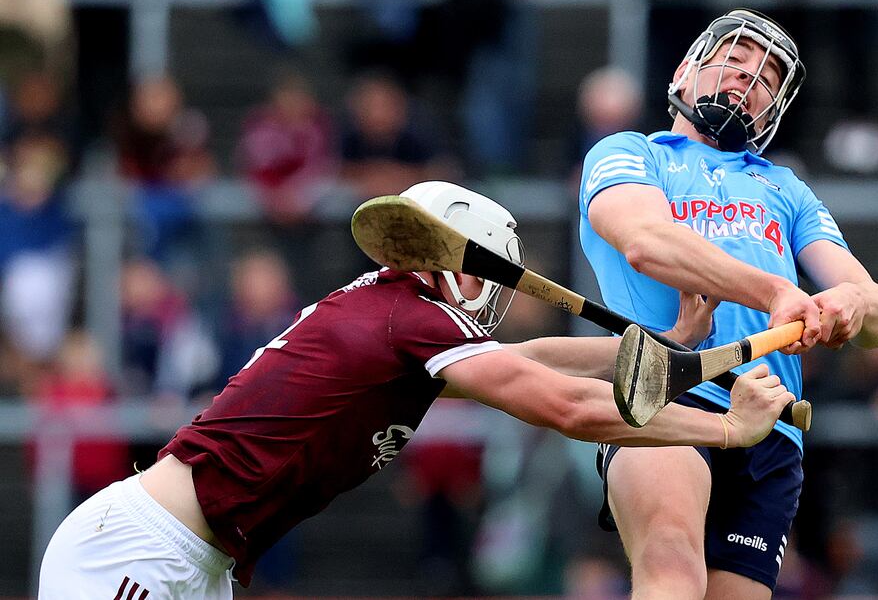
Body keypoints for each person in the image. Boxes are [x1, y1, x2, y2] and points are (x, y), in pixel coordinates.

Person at [38, 181, 795, 599]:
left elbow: (531, 358)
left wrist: (661, 347)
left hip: (195, 566)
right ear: (465, 266)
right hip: (139, 555)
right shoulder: (415, 322)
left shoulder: (396, 314)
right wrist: (726, 431)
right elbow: (565, 407)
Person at [578, 8, 878, 599]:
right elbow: (646, 244)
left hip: (773, 423)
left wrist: (853, 302)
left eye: (770, 78)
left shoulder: (786, 189)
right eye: (734, 58)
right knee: (673, 566)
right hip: (667, 388)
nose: (749, 79)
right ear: (684, 70)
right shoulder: (631, 152)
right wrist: (778, 291)